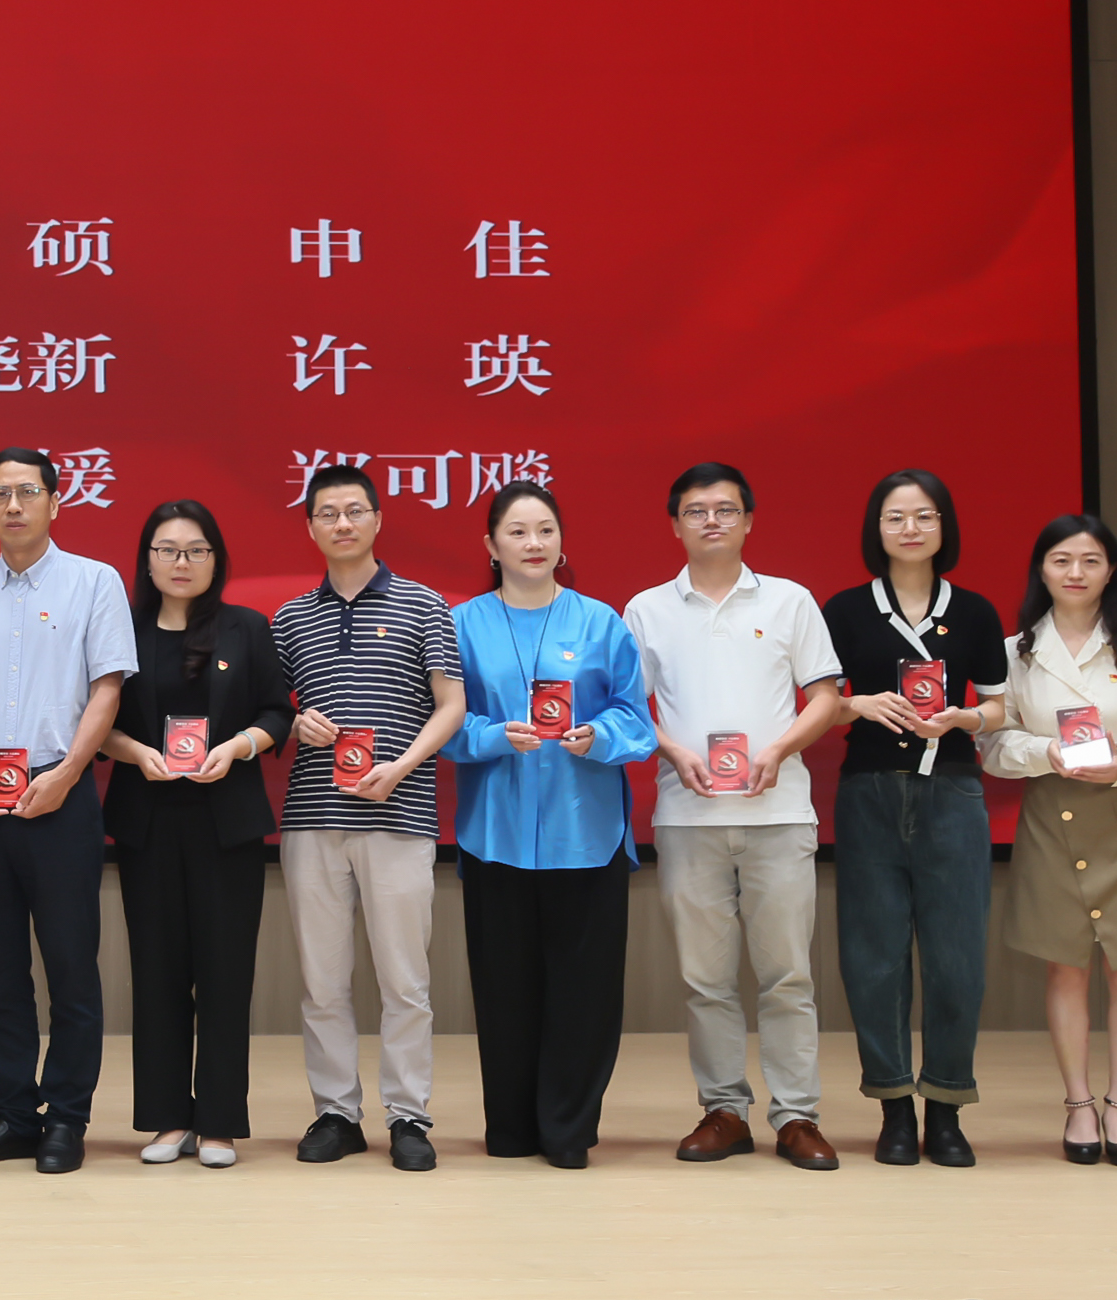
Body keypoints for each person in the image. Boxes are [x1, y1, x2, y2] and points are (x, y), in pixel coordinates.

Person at [624, 463, 851, 1172]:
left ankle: (797, 1116)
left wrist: (780, 748)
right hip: (687, 815)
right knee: (705, 979)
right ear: (675, 525)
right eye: (696, 511)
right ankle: (723, 1110)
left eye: (726, 509)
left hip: (777, 814)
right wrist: (673, 750)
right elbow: (628, 708)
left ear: (749, 521)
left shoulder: (789, 601)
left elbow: (826, 697)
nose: (712, 521)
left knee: (787, 975)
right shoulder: (646, 610)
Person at [445, 482, 653, 1169]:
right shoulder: (462, 623)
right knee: (504, 989)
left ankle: (567, 1127)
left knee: (583, 993)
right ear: (490, 545)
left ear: (562, 542)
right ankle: (509, 1127)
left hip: (584, 832)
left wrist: (600, 735)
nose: (532, 543)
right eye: (517, 531)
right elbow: (444, 725)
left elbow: (635, 720)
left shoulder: (601, 622)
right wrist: (492, 735)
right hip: (495, 833)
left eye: (544, 530)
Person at [983, 514, 1117, 1169]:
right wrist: (1044, 753)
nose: (1075, 573)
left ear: (1111, 570)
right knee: (1064, 964)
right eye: (1061, 560)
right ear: (1040, 570)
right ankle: (1078, 1103)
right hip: (1053, 816)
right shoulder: (1014, 651)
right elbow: (992, 744)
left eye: (1090, 560)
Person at [267, 463, 466, 1175]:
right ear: (310, 526)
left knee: (404, 981)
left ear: (378, 519)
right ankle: (336, 1113)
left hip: (399, 814)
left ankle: (408, 1115)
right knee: (322, 981)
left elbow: (451, 704)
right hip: (311, 817)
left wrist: (402, 766)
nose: (342, 523)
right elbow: (269, 713)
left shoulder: (423, 604)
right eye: (327, 513)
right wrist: (295, 722)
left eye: (354, 510)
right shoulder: (289, 617)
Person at [0, 449, 136, 1174]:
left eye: (27, 492)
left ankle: (67, 1119)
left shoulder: (94, 581)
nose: (13, 506)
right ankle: (16, 1114)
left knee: (70, 967)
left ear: (55, 502)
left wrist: (68, 773)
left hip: (60, 795)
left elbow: (107, 689)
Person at [819, 470, 1014, 1169]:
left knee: (956, 958)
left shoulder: (976, 612)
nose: (910, 529)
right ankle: (894, 1107)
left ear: (943, 527)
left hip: (951, 793)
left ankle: (947, 1108)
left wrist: (965, 718)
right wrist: (858, 704)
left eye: (924, 516)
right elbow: (819, 703)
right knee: (873, 958)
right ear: (876, 529)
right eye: (895, 517)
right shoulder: (845, 610)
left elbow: (999, 706)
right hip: (868, 791)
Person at [99, 497, 289, 1170]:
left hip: (226, 823)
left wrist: (237, 747)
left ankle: (218, 1122)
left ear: (215, 559)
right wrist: (135, 753)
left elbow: (277, 712)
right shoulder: (121, 632)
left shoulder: (246, 628)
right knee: (156, 973)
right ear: (147, 560)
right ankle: (167, 1117)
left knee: (224, 973)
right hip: (147, 822)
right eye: (167, 550)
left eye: (196, 550)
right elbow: (93, 722)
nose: (181, 562)